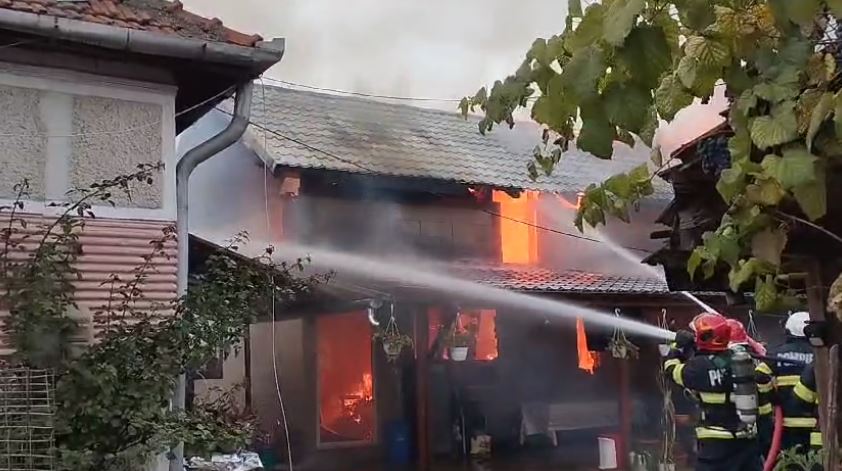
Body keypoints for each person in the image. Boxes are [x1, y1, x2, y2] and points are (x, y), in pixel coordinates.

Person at [664, 313, 762, 471]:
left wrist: (677, 347)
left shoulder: (698, 367)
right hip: (745, 441)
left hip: (715, 443)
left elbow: (671, 370)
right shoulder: (739, 360)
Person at [755, 312, 815, 454]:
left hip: (787, 422)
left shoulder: (777, 354)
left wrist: (773, 397)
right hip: (816, 423)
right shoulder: (820, 354)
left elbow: (760, 375)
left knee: (789, 459)